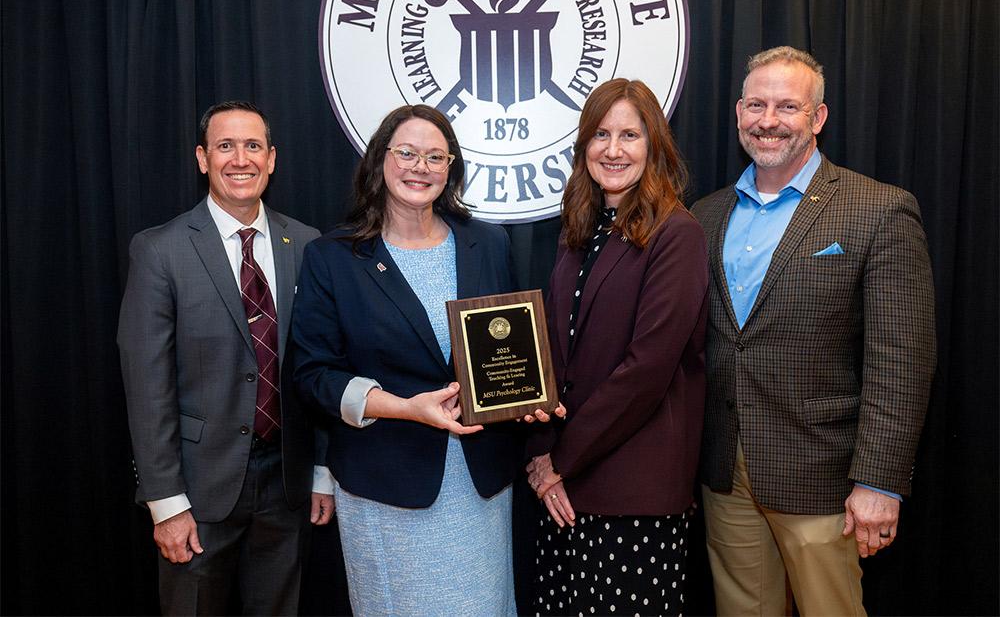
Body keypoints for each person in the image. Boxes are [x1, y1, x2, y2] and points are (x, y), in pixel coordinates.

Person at [691, 46, 936, 615]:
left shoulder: (878, 210)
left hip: (825, 480)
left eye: (787, 106)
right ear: (737, 113)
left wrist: (879, 483)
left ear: (818, 118)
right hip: (726, 475)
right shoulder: (704, 216)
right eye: (756, 105)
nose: (768, 120)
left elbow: (900, 361)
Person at [292, 104, 557, 616]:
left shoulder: (487, 243)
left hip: (479, 487)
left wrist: (525, 398)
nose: (421, 167)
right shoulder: (334, 256)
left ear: (451, 168)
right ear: (380, 161)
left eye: (436, 157)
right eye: (407, 153)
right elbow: (313, 374)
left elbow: (504, 348)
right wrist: (403, 407)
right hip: (385, 487)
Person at [118, 101, 332, 615]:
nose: (241, 159)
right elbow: (147, 388)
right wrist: (165, 504)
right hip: (196, 490)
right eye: (226, 146)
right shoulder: (160, 251)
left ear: (272, 158)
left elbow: (319, 367)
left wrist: (322, 470)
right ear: (202, 158)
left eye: (253, 145)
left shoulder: (307, 245)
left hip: (287, 484)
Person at [525, 78, 709, 616]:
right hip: (562, 490)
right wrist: (539, 453)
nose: (613, 149)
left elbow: (646, 370)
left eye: (630, 135)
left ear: (654, 145)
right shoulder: (578, 230)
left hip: (634, 492)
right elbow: (554, 357)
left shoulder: (678, 234)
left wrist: (559, 459)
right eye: (600, 134)